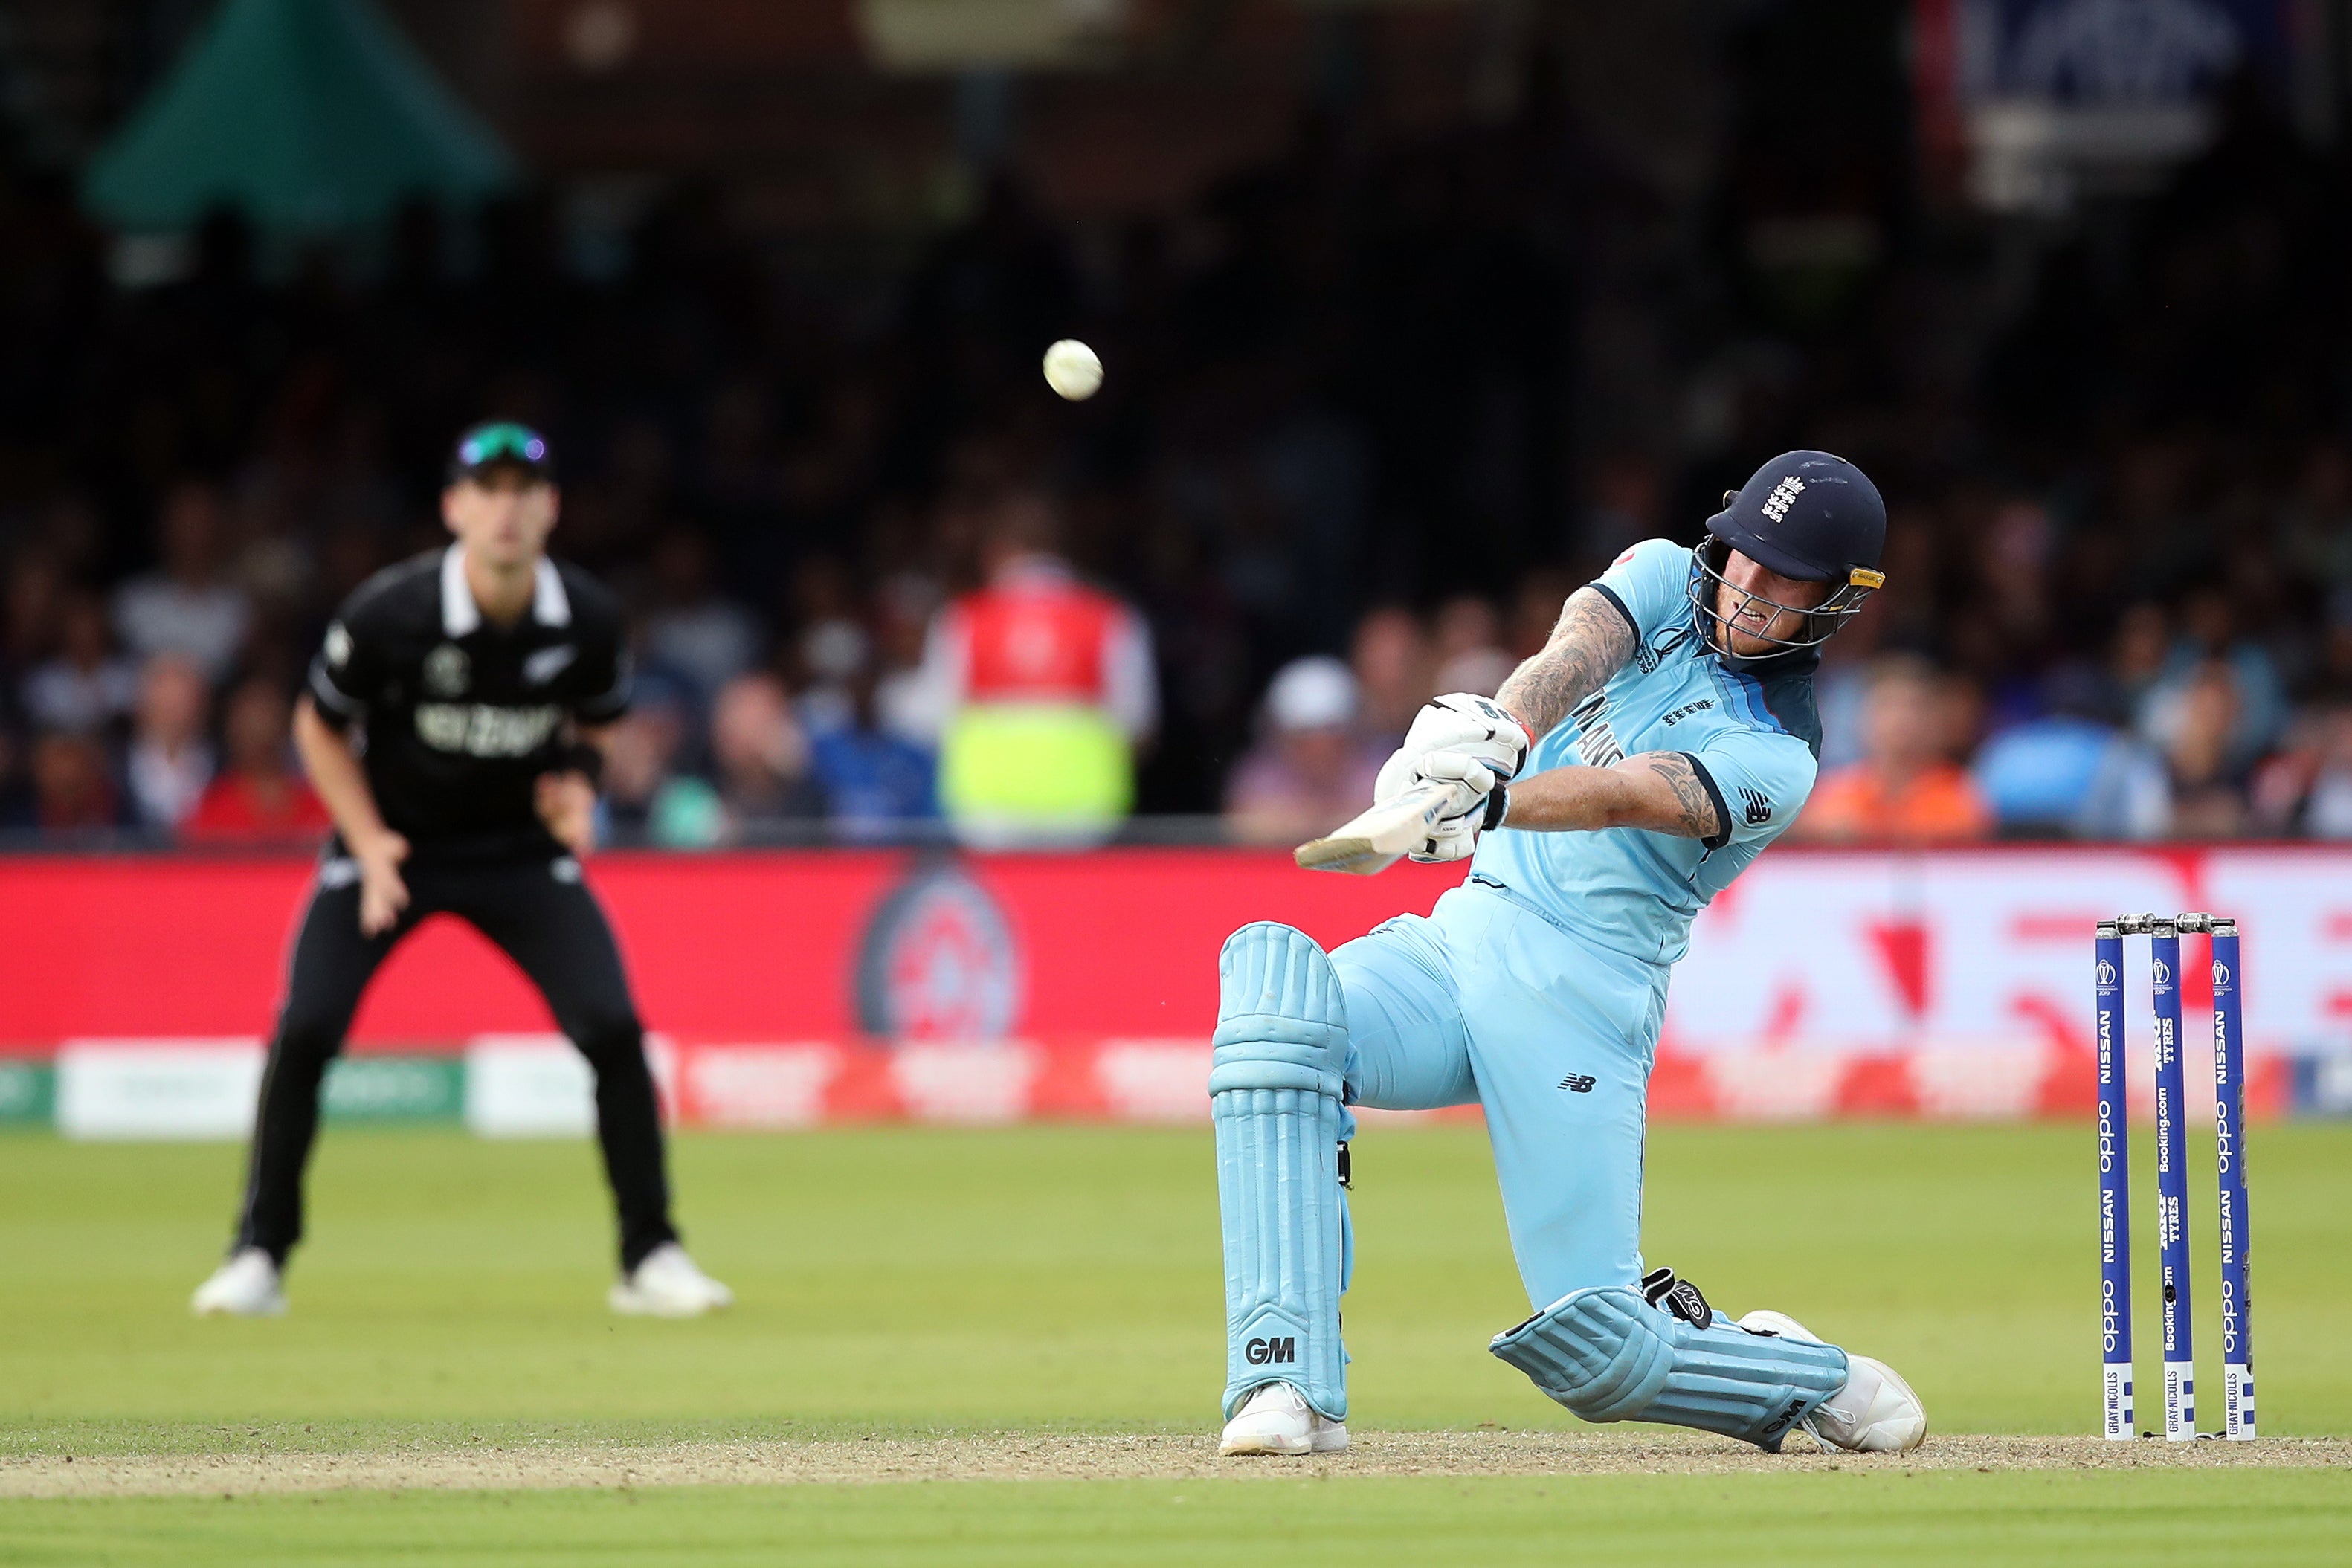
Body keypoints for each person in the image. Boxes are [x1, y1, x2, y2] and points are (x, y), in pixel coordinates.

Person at [1209, 451, 1927, 1459]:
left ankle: (1800, 1370)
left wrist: (1495, 800)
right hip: (1461, 942)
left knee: (1601, 1354)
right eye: (1743, 559)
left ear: (1836, 604)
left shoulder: (1779, 753)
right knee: (1278, 1012)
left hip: (1579, 1005)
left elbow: (1632, 792)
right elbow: (1574, 653)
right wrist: (1493, 728)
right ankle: (1282, 1381)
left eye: (1781, 581)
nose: (1746, 590)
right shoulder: (1663, 573)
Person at [190, 423, 731, 1320]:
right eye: (488, 490)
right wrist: (365, 841)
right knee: (309, 1027)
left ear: (551, 508)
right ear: (454, 508)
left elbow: (596, 720)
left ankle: (651, 1256)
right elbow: (318, 728)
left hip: (516, 854)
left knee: (611, 1028)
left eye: (526, 490)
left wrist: (579, 788)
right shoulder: (388, 614)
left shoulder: (589, 619)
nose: (507, 509)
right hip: (394, 849)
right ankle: (259, 1256)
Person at [1794, 656, 1992, 842]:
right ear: (1863, 718)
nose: (1900, 720)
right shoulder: (1833, 796)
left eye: (1913, 707)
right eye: (1887, 705)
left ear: (1935, 721)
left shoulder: (1961, 796)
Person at [1222, 656, 1385, 847]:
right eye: (1306, 736)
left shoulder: (1379, 772)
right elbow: (1244, 828)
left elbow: (1389, 825)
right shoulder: (1258, 776)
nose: (1320, 748)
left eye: (1331, 732)